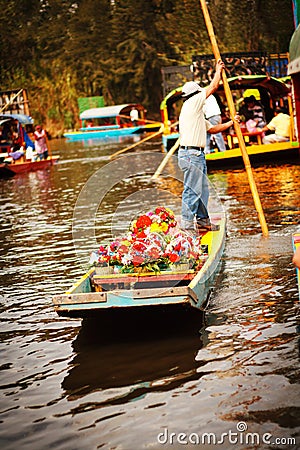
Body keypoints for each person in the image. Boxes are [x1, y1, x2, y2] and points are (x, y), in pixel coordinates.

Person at [178, 59, 238, 235]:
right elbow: (213, 87)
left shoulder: (195, 113)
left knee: (202, 190)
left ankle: (203, 222)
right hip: (191, 155)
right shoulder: (192, 102)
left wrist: (231, 123)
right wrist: (218, 70)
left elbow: (212, 129)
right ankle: (187, 227)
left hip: (197, 155)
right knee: (192, 190)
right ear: (195, 95)